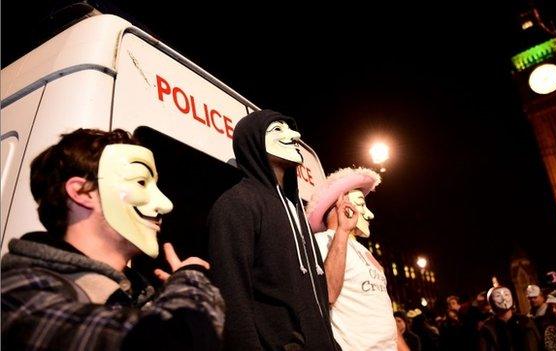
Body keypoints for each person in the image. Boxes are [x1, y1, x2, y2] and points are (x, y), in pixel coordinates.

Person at [1, 128, 225, 350]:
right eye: (140, 182)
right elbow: (174, 342)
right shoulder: (17, 293)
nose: (166, 204)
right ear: (82, 192)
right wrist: (191, 279)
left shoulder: (138, 295)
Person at [204, 110, 338, 350]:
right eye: (277, 129)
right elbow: (232, 296)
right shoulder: (237, 203)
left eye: (290, 128)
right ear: (252, 141)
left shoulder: (296, 211)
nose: (294, 135)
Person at [306, 167, 396, 350]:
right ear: (339, 205)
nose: (369, 214)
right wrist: (342, 230)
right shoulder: (321, 242)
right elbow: (328, 294)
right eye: (361, 204)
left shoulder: (365, 252)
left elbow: (383, 312)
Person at [478, 286, 540, 351]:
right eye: (498, 296)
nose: (504, 298)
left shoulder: (525, 321)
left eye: (506, 294)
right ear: (491, 302)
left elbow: (537, 343)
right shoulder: (488, 328)